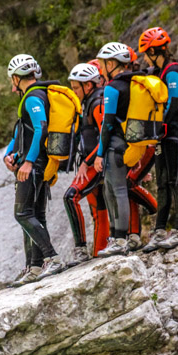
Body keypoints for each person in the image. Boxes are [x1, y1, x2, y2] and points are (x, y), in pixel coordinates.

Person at [4, 54, 64, 286]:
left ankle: (52, 258)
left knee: (22, 213)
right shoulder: (35, 96)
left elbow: (41, 129)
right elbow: (21, 132)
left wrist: (27, 162)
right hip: (36, 162)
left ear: (18, 78)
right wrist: (9, 154)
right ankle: (35, 267)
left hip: (34, 165)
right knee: (35, 215)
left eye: (12, 80)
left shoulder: (32, 98)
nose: (12, 86)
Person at [139, 27, 178, 252]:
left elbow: (174, 102)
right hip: (161, 136)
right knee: (162, 183)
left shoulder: (173, 71)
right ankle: (159, 232)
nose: (143, 57)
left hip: (175, 133)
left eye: (145, 52)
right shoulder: (157, 73)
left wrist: (160, 128)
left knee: (177, 181)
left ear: (153, 51)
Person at [94, 42, 140, 256]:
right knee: (115, 190)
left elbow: (107, 123)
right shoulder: (133, 83)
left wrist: (100, 153)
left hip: (114, 145)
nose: (101, 68)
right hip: (130, 143)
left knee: (117, 190)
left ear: (112, 63)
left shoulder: (113, 87)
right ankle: (120, 237)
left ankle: (119, 239)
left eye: (103, 64)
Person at [63, 62, 109, 266]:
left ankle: (81, 250)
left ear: (88, 86)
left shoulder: (97, 103)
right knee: (99, 207)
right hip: (92, 161)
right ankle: (99, 252)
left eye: (76, 88)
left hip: (96, 163)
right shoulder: (88, 102)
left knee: (70, 197)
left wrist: (87, 162)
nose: (74, 91)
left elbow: (104, 137)